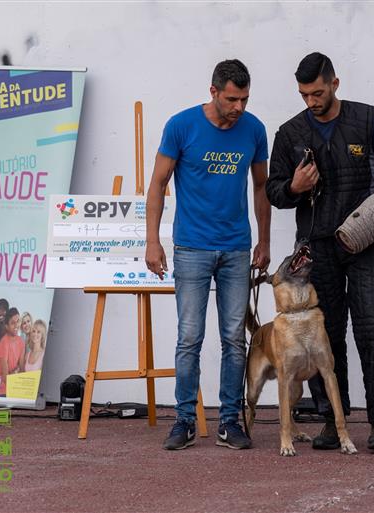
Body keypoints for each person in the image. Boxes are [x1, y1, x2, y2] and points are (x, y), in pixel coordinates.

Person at [266, 52, 374, 454]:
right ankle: (330, 421)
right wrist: (294, 186)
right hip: (316, 248)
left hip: (365, 242)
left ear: (335, 83)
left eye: (318, 92)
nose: (312, 101)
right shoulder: (289, 134)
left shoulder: (366, 118)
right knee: (323, 337)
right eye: (305, 94)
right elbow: (274, 193)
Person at [145, 59, 271, 451]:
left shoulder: (254, 129)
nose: (238, 108)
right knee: (189, 337)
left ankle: (229, 421)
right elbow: (158, 184)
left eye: (245, 100)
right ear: (213, 91)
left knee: (234, 338)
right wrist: (153, 240)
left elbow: (262, 187)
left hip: (236, 247)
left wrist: (263, 241)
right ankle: (184, 420)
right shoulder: (181, 126)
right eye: (232, 99)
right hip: (192, 247)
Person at [0, 307, 25, 396]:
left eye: (18, 321)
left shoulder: (21, 342)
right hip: (1, 391)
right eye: (12, 323)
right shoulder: (4, 343)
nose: (16, 325)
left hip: (13, 387)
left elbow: (22, 368)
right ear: (6, 326)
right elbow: (5, 377)